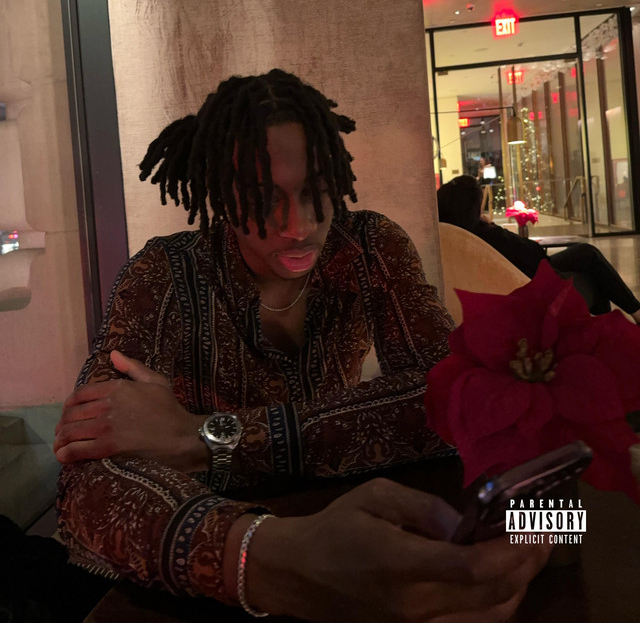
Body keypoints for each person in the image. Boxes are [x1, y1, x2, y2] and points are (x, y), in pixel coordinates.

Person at [54, 70, 550, 622]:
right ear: (220, 195)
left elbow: (447, 397)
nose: (299, 226)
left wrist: (206, 438)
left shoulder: (369, 246)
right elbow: (85, 480)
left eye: (317, 191)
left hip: (353, 527)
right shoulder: (164, 274)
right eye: (263, 199)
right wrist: (261, 558)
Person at [438, 174, 640, 322]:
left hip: (521, 276)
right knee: (592, 271)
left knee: (587, 253)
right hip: (533, 281)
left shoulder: (452, 233)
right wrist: (492, 227)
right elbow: (535, 255)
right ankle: (625, 319)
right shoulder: (487, 234)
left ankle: (621, 322)